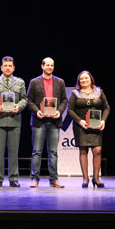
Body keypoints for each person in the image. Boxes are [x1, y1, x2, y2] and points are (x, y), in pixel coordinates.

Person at [0, 56, 27, 187]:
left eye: (10, 66)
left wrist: (18, 106)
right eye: (5, 65)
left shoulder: (20, 82)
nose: (7, 68)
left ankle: (13, 179)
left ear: (13, 68)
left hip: (14, 121)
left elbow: (25, 99)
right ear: (1, 67)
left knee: (14, 152)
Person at [27, 57, 67, 188]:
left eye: (52, 65)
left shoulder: (60, 82)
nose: (50, 67)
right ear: (42, 66)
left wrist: (59, 112)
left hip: (54, 122)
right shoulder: (34, 82)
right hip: (39, 121)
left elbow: (64, 101)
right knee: (37, 151)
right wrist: (36, 111)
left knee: (53, 152)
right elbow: (29, 101)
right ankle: (35, 179)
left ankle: (54, 180)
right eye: (47, 65)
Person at [67, 71, 110, 188]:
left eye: (86, 78)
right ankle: (85, 179)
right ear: (79, 81)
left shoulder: (99, 92)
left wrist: (103, 121)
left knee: (97, 151)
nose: (84, 80)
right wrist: (80, 121)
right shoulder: (75, 93)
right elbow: (70, 110)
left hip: (96, 125)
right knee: (83, 151)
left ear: (91, 79)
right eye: (81, 79)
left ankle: (96, 178)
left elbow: (107, 108)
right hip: (82, 126)